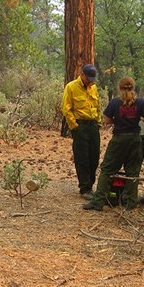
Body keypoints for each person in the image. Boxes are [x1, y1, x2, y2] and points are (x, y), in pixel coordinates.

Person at [84, 76, 144, 211]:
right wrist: (136, 118)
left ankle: (98, 201)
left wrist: (119, 120)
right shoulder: (140, 102)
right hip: (135, 139)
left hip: (119, 140)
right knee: (133, 172)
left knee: (107, 170)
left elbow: (107, 121)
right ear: (133, 87)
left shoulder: (115, 102)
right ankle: (130, 202)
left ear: (119, 88)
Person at [61, 63, 102, 199]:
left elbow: (98, 107)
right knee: (82, 157)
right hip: (80, 126)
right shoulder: (71, 87)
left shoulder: (93, 88)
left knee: (94, 157)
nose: (90, 81)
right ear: (82, 74)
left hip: (93, 126)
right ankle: (84, 188)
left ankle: (90, 185)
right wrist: (75, 127)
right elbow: (66, 108)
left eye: (92, 79)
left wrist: (98, 123)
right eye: (88, 78)